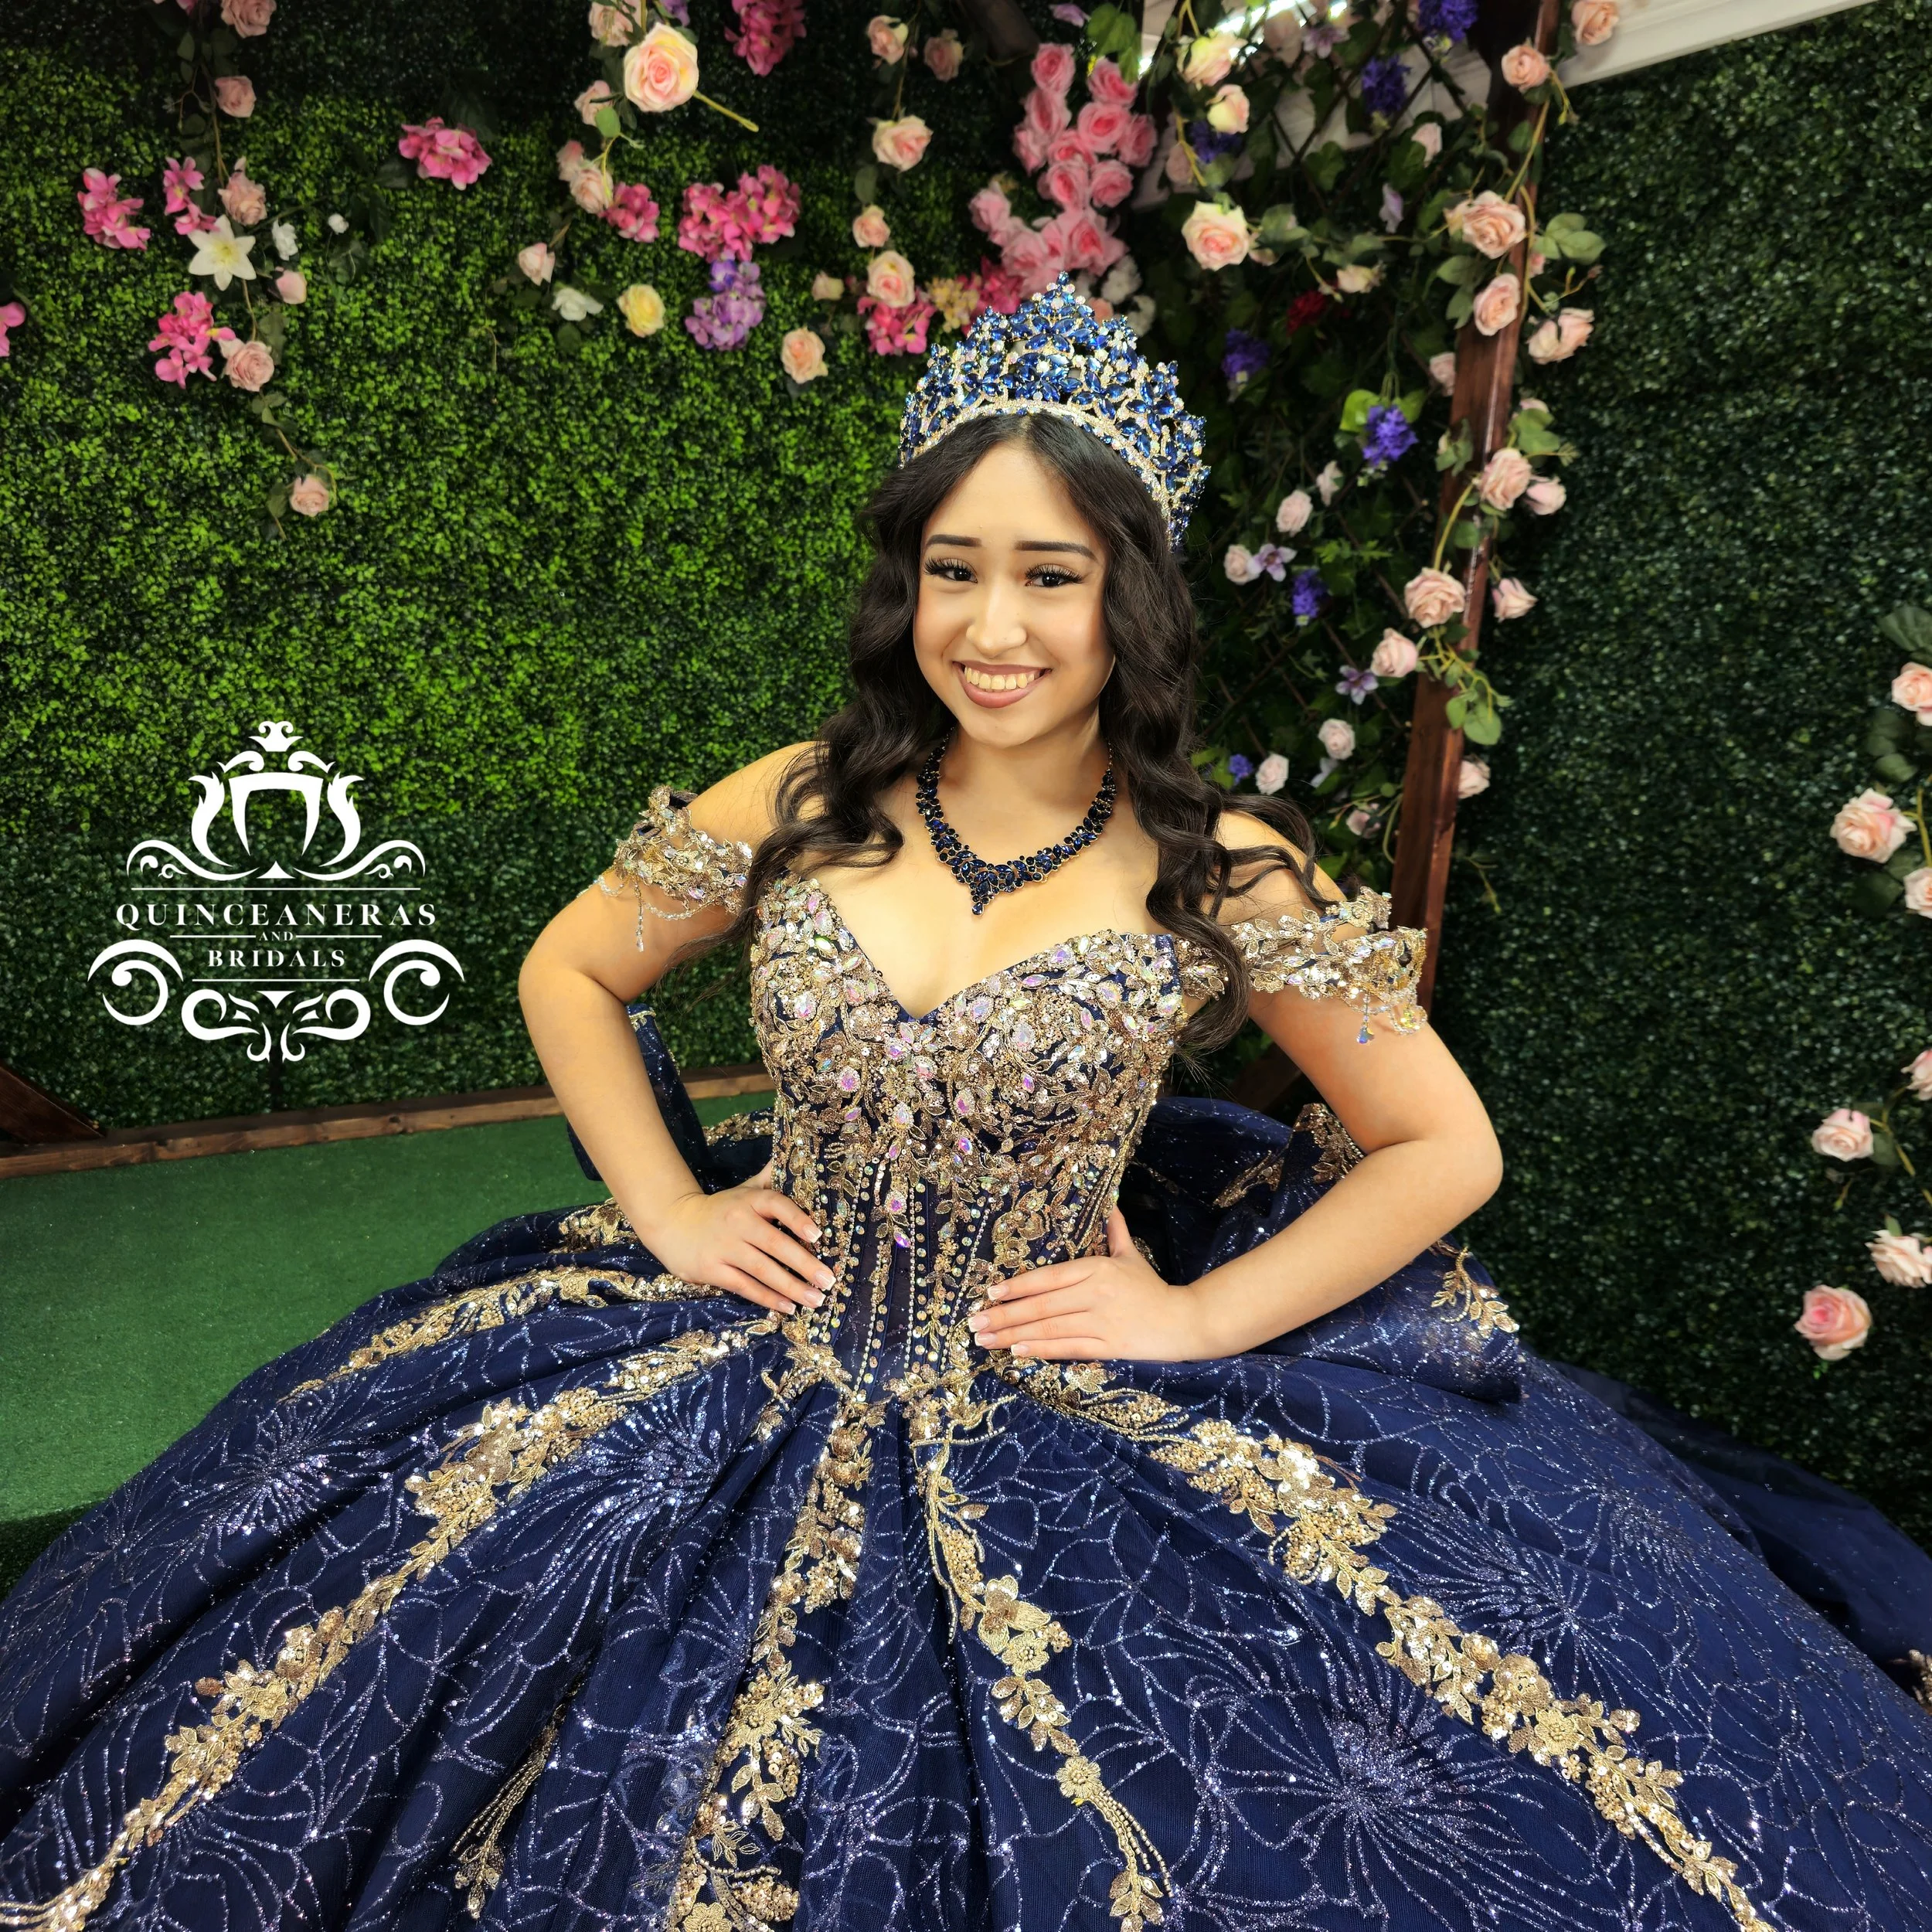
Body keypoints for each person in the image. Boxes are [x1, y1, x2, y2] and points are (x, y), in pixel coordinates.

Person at [2, 278, 1927, 1932]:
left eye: (1048, 574)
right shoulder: (798, 796)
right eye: (953, 569)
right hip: (735, 1333)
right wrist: (672, 1204)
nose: (992, 623)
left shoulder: (1221, 863)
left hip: (1062, 1379)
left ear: (1127, 600)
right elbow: (562, 972)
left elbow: (1448, 1144)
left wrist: (1188, 1314)